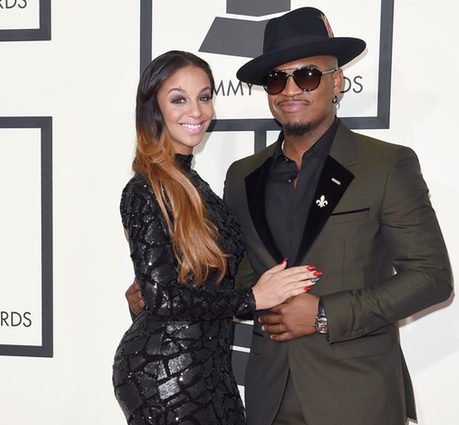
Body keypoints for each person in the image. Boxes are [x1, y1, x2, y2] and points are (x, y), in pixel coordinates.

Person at [128, 7, 453, 425]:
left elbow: (431, 277)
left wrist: (324, 315)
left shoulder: (385, 165)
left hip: (358, 394)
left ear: (337, 81)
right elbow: (242, 279)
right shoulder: (243, 176)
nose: (291, 89)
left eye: (308, 75)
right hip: (268, 397)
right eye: (277, 79)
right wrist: (168, 292)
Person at [113, 50, 320, 425]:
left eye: (204, 97)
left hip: (208, 362)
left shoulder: (193, 185)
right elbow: (161, 297)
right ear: (154, 110)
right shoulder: (145, 188)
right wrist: (254, 297)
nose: (196, 111)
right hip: (167, 371)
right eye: (179, 99)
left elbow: (199, 283)